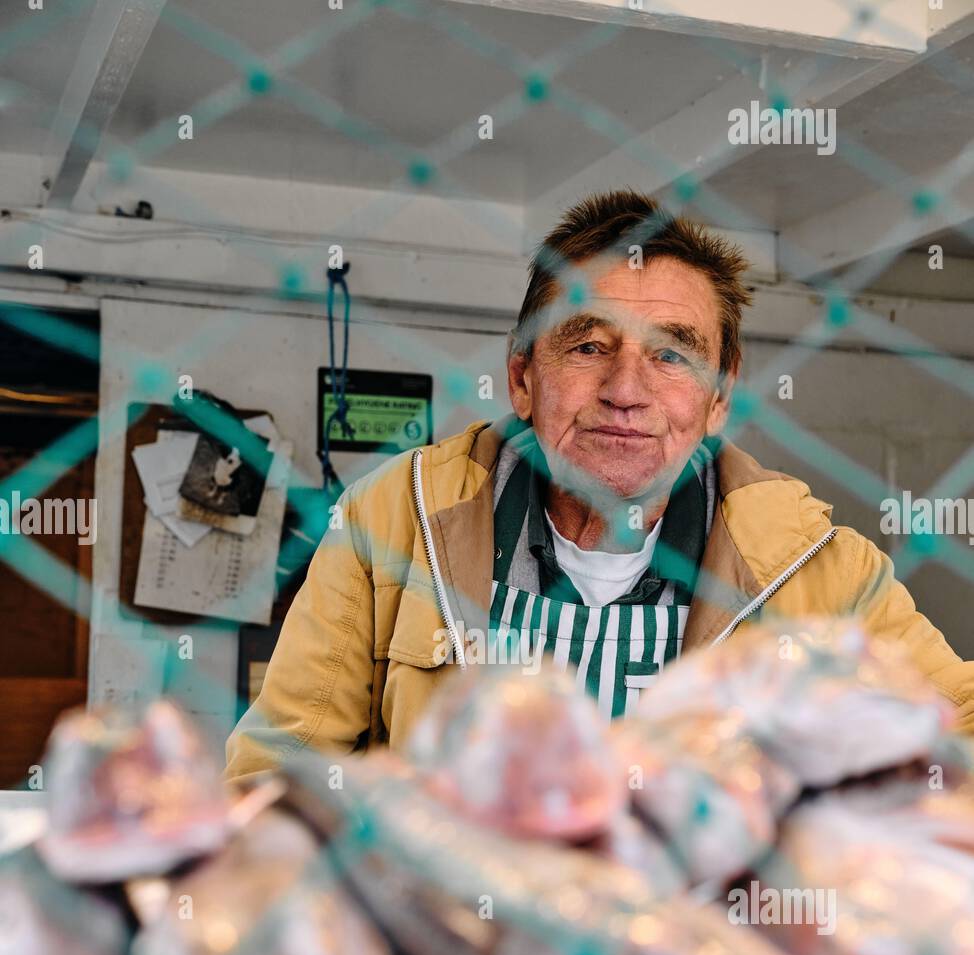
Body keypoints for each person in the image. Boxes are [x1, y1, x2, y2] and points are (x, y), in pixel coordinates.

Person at [226, 189, 974, 778]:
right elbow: (279, 773)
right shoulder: (390, 524)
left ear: (718, 399)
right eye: (588, 345)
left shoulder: (821, 572)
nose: (626, 390)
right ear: (523, 377)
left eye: (672, 357)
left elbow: (957, 728)